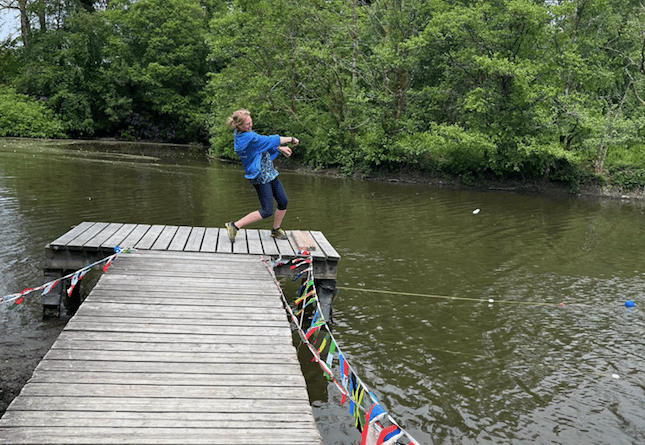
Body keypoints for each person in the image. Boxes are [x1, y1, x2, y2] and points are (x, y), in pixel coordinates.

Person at [224, 109, 299, 243]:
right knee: (267, 210)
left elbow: (262, 144)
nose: (250, 125)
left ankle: (276, 230)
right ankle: (234, 226)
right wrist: (290, 139)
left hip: (268, 172)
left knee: (283, 201)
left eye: (251, 122)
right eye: (247, 124)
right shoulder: (245, 138)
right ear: (240, 126)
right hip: (259, 176)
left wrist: (279, 148)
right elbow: (266, 140)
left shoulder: (246, 133)